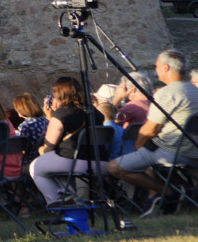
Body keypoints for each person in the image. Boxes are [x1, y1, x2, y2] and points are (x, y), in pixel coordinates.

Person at [109, 49, 198, 217]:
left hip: (174, 152)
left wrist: (139, 146)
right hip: (194, 150)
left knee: (115, 167)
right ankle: (170, 197)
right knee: (149, 158)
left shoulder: (168, 93)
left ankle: (168, 192)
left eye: (157, 66)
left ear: (166, 67)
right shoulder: (195, 90)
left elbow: (150, 129)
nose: (156, 70)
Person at [29, 76, 109, 206]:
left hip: (78, 162)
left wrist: (40, 149)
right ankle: (74, 198)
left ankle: (55, 202)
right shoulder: (94, 112)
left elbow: (49, 147)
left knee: (36, 167)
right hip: (102, 162)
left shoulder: (62, 114)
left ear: (59, 95)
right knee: (53, 166)